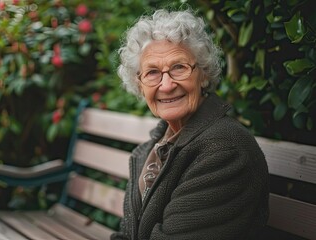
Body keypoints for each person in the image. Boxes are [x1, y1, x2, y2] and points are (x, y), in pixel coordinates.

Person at [111, 8, 269, 240]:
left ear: (203, 74)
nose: (166, 85)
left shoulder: (225, 150)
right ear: (140, 83)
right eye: (152, 72)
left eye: (179, 67)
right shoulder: (153, 148)